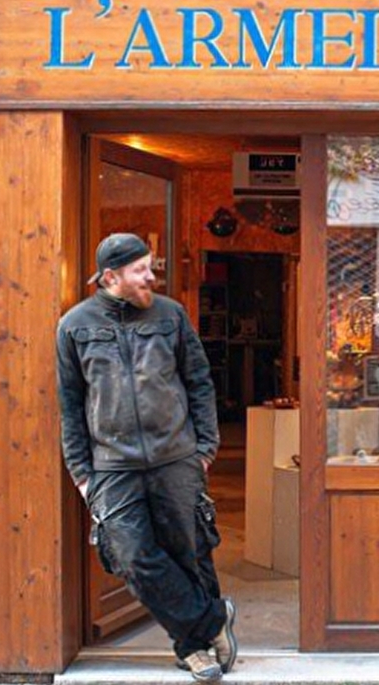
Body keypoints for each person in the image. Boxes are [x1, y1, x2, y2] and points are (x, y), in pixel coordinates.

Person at [56, 233, 237, 682]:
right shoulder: (74, 326)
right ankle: (211, 621)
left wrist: (205, 448)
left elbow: (199, 380)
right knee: (131, 556)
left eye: (150, 267)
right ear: (110, 277)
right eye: (140, 270)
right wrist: (82, 474)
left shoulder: (170, 315)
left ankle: (193, 649)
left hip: (176, 457)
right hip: (111, 465)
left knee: (190, 551)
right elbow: (70, 404)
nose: (150, 277)